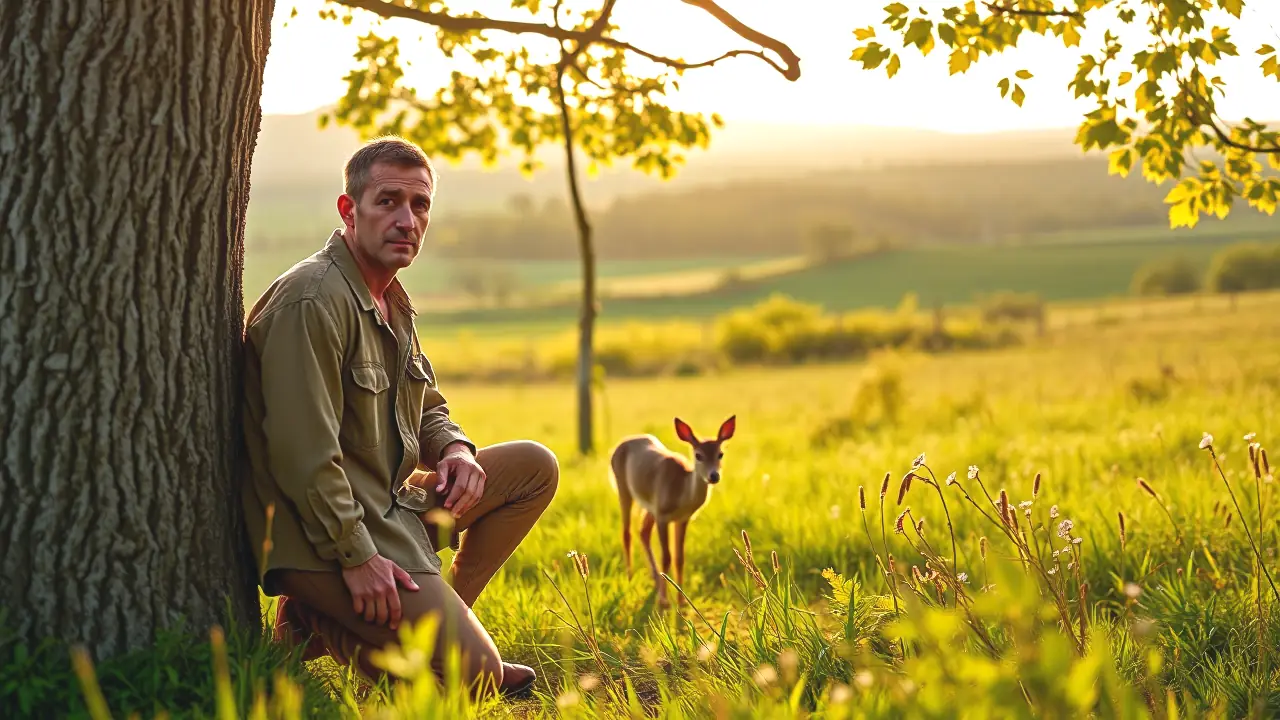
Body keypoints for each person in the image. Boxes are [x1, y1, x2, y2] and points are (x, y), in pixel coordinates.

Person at [239, 136, 559, 698]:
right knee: (477, 681)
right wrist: (357, 557)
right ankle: (328, 619)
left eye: (420, 205)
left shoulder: (389, 298)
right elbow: (301, 456)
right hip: (318, 536)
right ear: (349, 209)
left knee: (533, 468)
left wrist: (456, 450)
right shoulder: (313, 300)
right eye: (388, 201)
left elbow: (427, 405)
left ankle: (445, 625)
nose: (407, 220)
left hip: (388, 509)